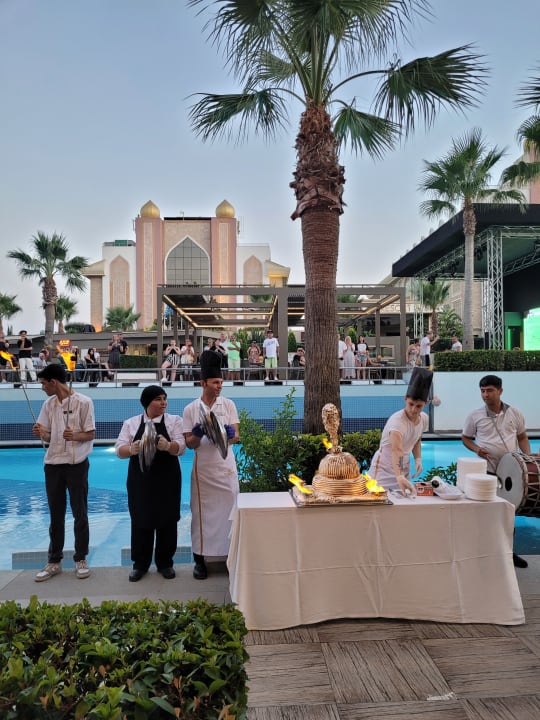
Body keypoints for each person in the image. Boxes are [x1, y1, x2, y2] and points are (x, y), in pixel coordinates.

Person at [31, 363, 95, 581]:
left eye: (43, 383)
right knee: (55, 514)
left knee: (80, 513)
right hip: (53, 465)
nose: (42, 388)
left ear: (53, 382)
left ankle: (80, 559)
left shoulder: (84, 402)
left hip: (77, 465)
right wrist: (42, 433)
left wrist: (75, 436)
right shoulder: (48, 404)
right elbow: (49, 436)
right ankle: (54, 561)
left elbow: (91, 433)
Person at [115, 386, 186, 581]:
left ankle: (165, 563)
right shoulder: (131, 423)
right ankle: (140, 565)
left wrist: (168, 446)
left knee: (168, 519)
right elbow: (119, 450)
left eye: (164, 398)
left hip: (168, 479)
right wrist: (131, 449)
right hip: (140, 480)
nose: (163, 403)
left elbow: (181, 447)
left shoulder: (174, 421)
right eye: (158, 399)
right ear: (147, 403)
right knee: (141, 518)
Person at [462, 374, 531, 569]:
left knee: (509, 513)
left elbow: (522, 437)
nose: (485, 395)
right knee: (487, 514)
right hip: (487, 473)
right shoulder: (475, 415)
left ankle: (509, 553)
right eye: (482, 391)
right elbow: (466, 438)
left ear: (500, 391)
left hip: (512, 473)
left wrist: (528, 459)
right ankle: (485, 554)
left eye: (490, 390)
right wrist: (477, 449)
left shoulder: (514, 413)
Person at [183, 350, 240, 580]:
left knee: (230, 512)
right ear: (203, 383)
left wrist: (229, 435)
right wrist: (197, 434)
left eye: (221, 382)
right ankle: (200, 561)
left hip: (226, 468)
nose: (219, 386)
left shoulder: (228, 405)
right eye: (215, 382)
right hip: (204, 471)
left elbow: (237, 436)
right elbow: (189, 444)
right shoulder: (190, 409)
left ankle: (231, 558)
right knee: (201, 514)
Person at [368, 367, 433, 495]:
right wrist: (399, 476)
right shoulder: (397, 421)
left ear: (426, 403)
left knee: (404, 500)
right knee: (379, 498)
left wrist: (418, 459)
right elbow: (396, 449)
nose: (414, 410)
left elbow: (416, 439)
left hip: (404, 464)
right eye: (411, 404)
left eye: (419, 406)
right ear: (405, 399)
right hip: (384, 467)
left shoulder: (424, 419)